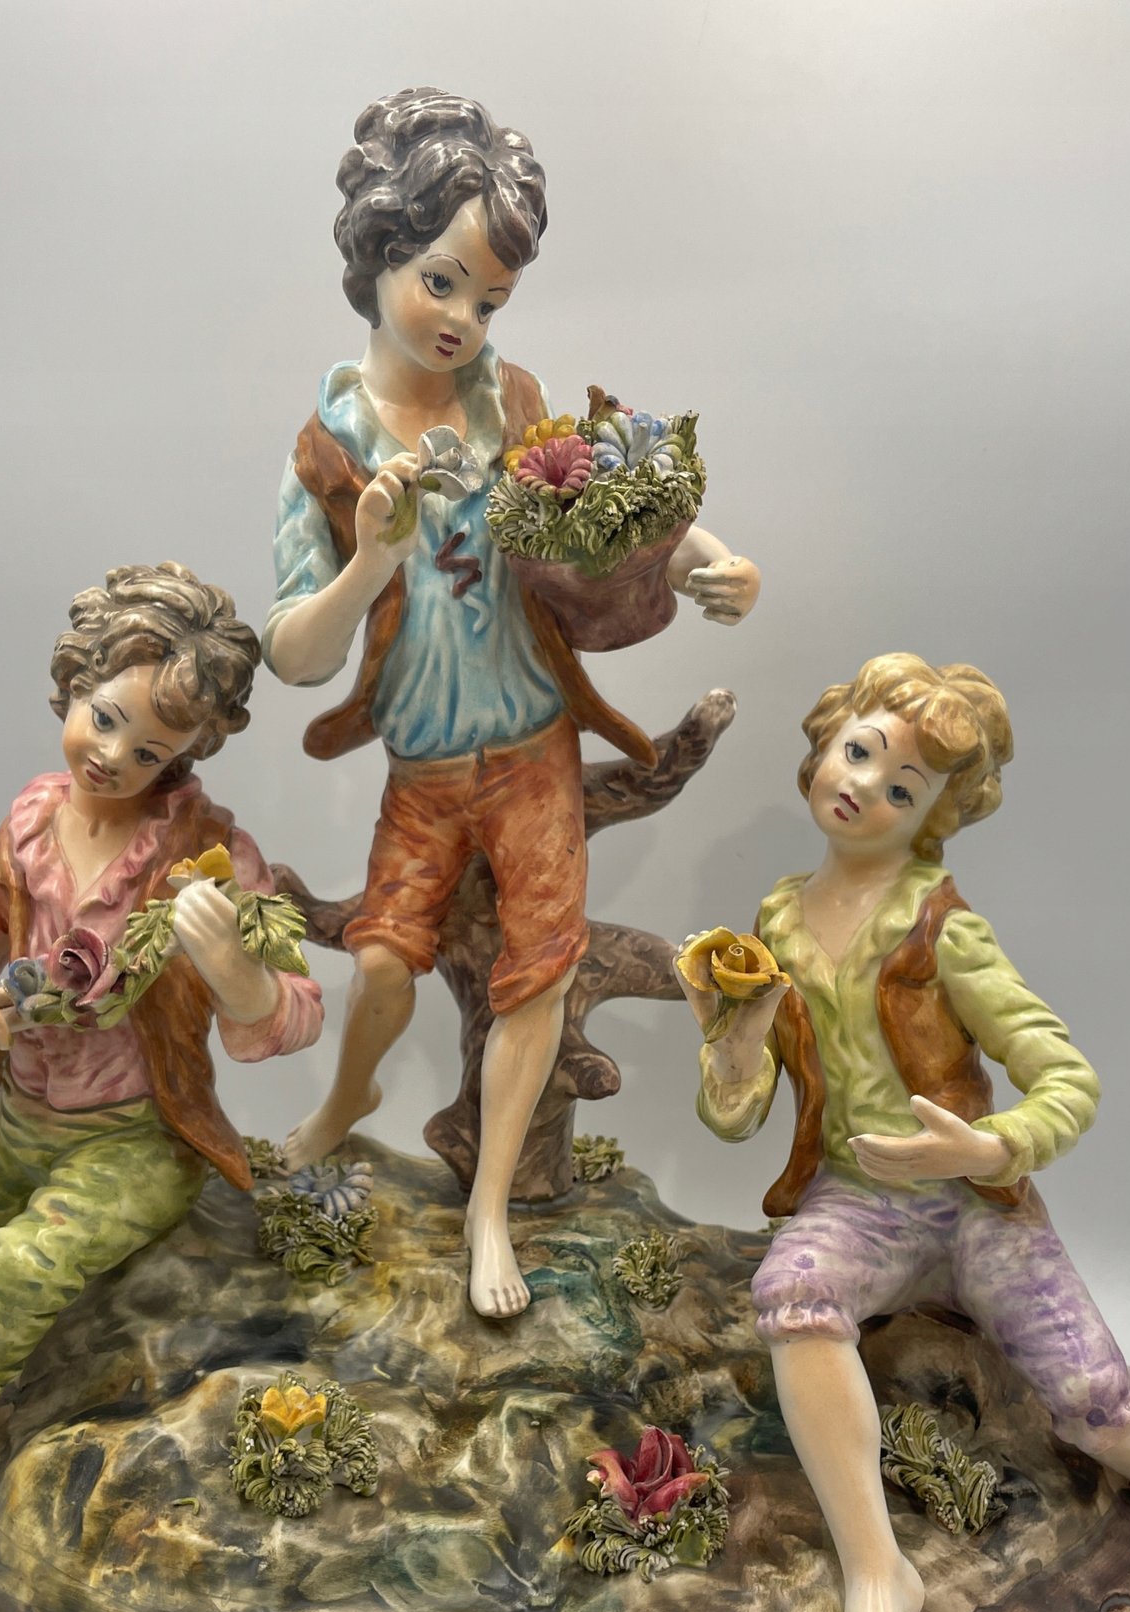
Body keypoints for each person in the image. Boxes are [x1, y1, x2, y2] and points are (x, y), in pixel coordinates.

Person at [264, 86, 760, 1319]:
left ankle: (489, 1210)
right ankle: (348, 1098)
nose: (463, 319)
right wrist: (369, 561)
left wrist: (711, 563)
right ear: (376, 257)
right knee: (383, 968)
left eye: (489, 299)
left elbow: (620, 505)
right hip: (425, 770)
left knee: (535, 977)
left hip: (534, 751)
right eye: (441, 282)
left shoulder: (514, 404)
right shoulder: (327, 450)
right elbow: (294, 656)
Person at [685, 653, 1130, 1612]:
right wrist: (736, 1038)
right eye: (858, 753)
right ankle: (877, 1571)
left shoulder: (941, 926)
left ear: (931, 817)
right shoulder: (776, 922)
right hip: (859, 1201)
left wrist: (987, 1149)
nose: (864, 786)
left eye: (901, 787)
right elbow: (733, 1116)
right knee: (792, 1295)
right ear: (822, 745)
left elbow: (1067, 1079)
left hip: (969, 1203)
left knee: (1089, 1397)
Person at [0, 563, 323, 1604]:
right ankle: (28, 1370)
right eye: (105, 719)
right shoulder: (23, 836)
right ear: (74, 683)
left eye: (151, 752)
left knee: (6, 1276)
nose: (114, 758)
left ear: (188, 754)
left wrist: (232, 968)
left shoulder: (206, 856)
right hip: (25, 1121)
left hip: (135, 1137)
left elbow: (291, 1020)